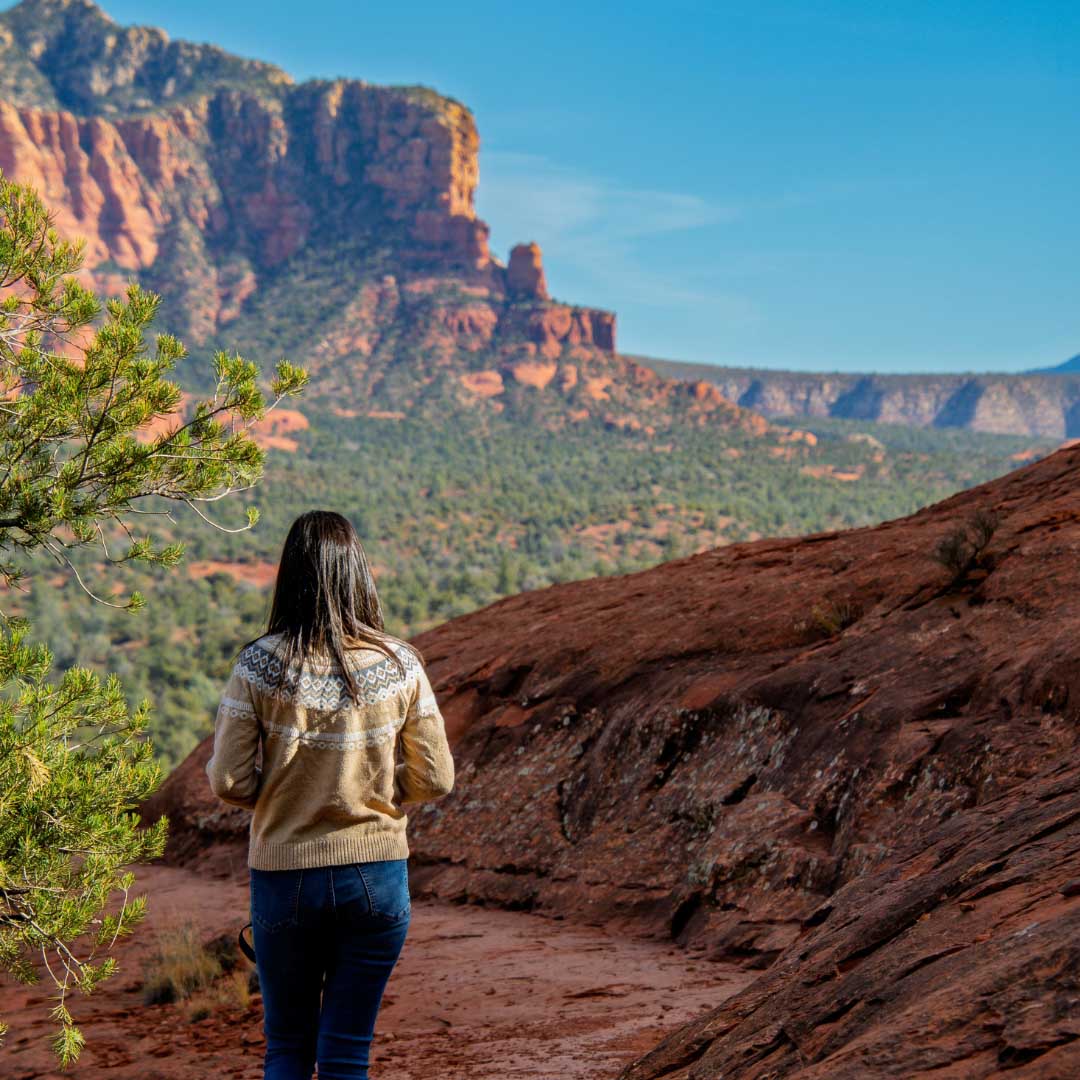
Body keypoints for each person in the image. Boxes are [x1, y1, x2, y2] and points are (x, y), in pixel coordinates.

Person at [206, 510, 455, 1080]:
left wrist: (283, 799)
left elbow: (228, 781)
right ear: (357, 573)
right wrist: (377, 793)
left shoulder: (259, 665)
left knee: (287, 1050)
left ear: (290, 574)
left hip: (284, 875)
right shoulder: (400, 664)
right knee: (347, 1053)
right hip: (377, 877)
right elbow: (436, 778)